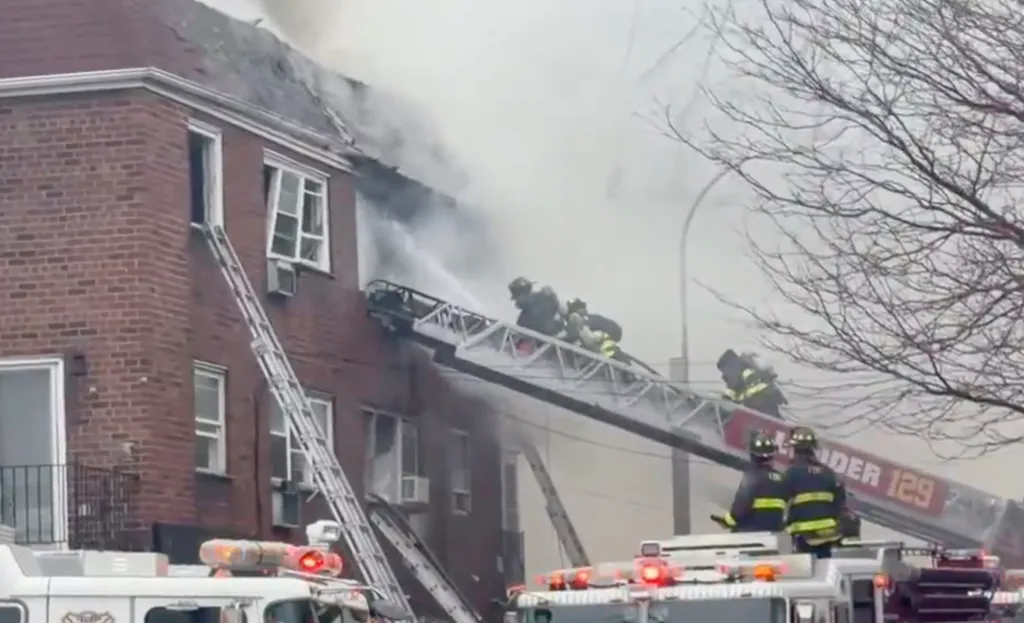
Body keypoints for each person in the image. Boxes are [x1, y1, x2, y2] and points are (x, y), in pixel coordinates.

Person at [781, 426, 846, 558]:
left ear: (796, 450)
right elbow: (840, 501)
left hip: (803, 536)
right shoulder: (828, 472)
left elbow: (781, 502)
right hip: (829, 535)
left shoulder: (791, 474)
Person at [719, 431, 787, 533]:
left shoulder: (752, 477)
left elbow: (742, 504)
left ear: (752, 455)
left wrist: (727, 521)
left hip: (749, 533)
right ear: (772, 456)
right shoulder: (782, 478)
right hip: (774, 533)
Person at [716, 349, 785, 418]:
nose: (724, 374)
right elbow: (731, 394)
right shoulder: (744, 368)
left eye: (724, 370)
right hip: (763, 402)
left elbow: (732, 392)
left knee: (770, 419)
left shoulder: (737, 371)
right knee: (774, 419)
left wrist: (721, 408)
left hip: (760, 402)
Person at [563, 300, 627, 362]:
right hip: (608, 341)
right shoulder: (591, 319)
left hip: (605, 342)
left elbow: (584, 334)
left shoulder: (587, 320)